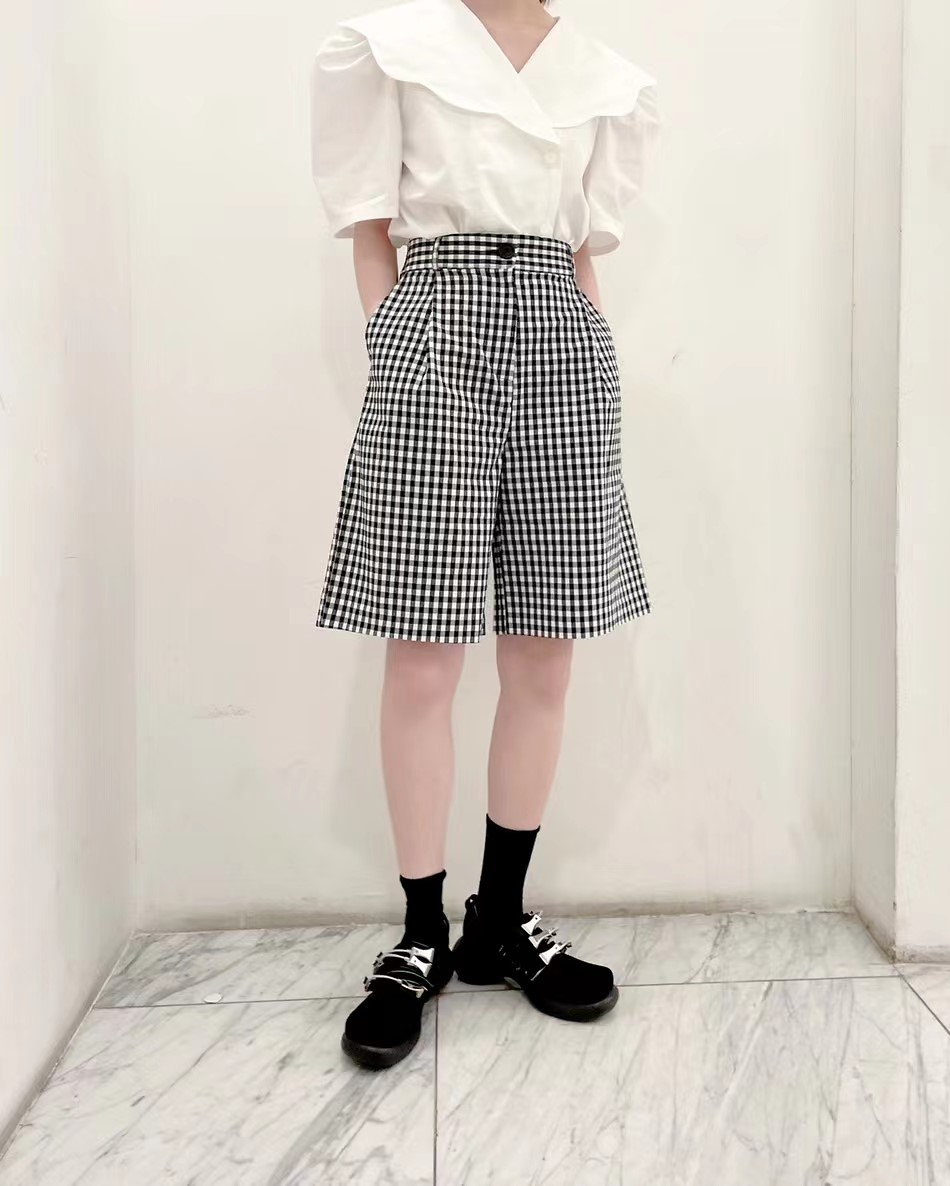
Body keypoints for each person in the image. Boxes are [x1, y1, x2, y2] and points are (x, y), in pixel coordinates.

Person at [310, 0, 658, 1069]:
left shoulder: (604, 74)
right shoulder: (389, 46)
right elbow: (371, 227)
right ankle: (419, 934)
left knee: (546, 650)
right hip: (435, 322)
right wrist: (395, 346)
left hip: (562, 334)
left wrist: (593, 351)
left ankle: (498, 922)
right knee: (423, 652)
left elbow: (582, 247)